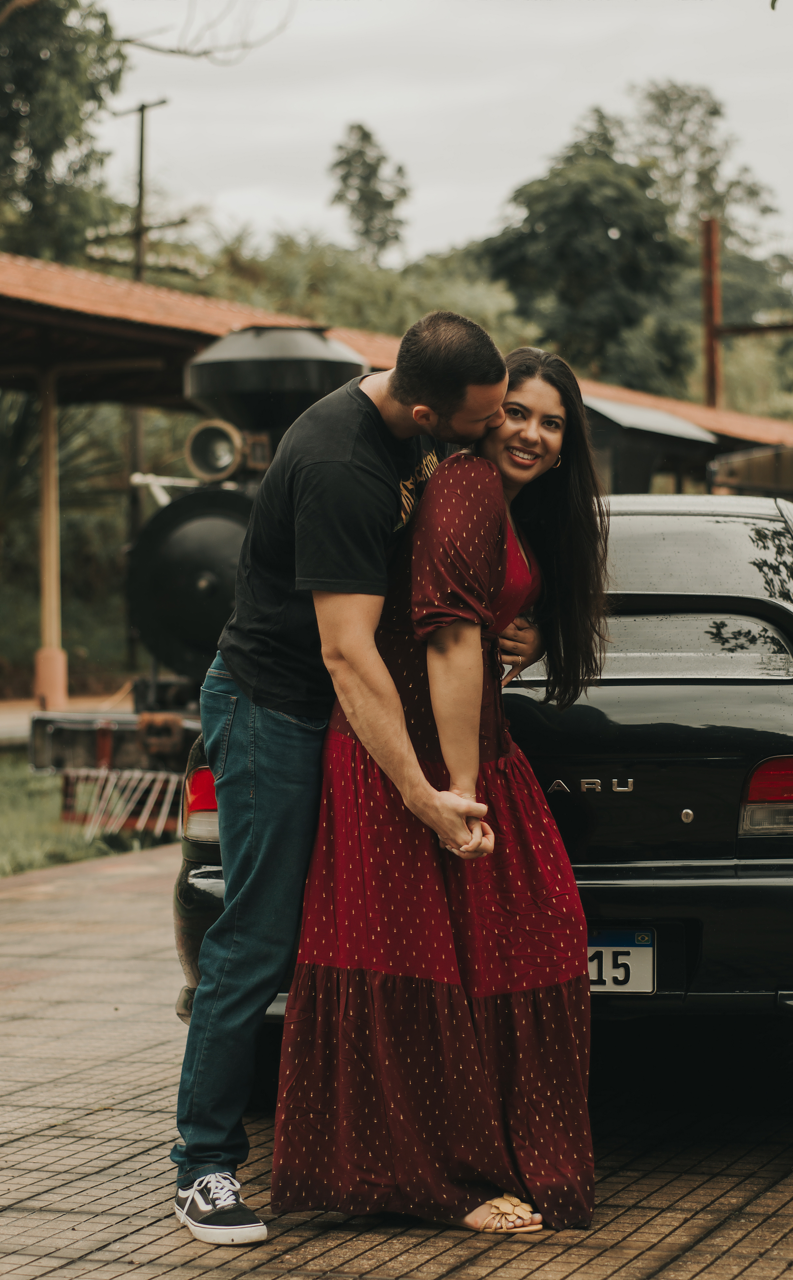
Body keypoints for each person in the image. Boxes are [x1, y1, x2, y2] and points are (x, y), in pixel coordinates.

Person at [172, 313, 544, 1245]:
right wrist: (423, 793)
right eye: (483, 417)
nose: (497, 430)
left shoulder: (408, 413)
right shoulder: (345, 468)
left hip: (339, 712)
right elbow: (344, 652)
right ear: (423, 407)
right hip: (277, 710)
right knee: (257, 935)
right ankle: (203, 1165)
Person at [272, 347, 609, 1233]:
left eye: (552, 423)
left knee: (519, 940)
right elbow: (449, 638)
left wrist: (524, 634)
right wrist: (455, 792)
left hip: (461, 745)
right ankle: (443, 1185)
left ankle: (482, 1156)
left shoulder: (488, 497)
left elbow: (478, 620)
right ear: (482, 415)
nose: (531, 434)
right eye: (517, 414)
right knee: (417, 958)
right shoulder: (465, 485)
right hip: (410, 756)